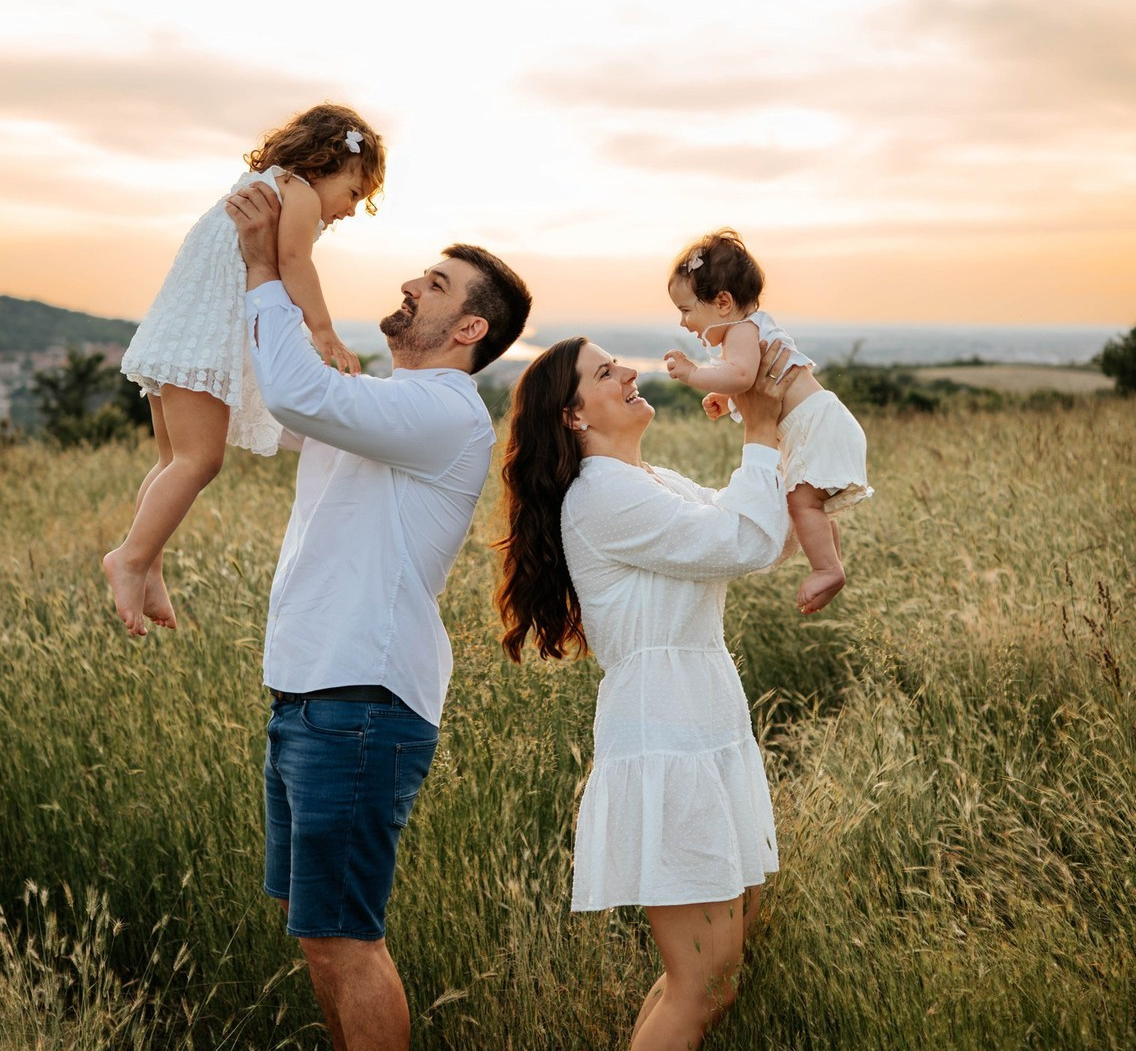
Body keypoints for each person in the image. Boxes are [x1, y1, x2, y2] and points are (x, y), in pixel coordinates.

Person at [224, 176, 531, 1051]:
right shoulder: (384, 408)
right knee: (318, 933)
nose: (411, 284)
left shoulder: (440, 410)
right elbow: (270, 408)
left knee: (347, 939)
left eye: (434, 285)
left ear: (469, 330)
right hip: (312, 692)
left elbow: (294, 397)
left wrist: (264, 266)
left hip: (359, 702)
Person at [496, 336, 798, 1051]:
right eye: (606, 373)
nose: (628, 371)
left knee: (707, 974)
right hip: (666, 733)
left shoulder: (646, 480)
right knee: (703, 982)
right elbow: (746, 544)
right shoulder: (603, 495)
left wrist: (776, 433)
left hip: (703, 721)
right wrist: (756, 430)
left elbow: (760, 531)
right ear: (573, 417)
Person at [105, 104, 384, 636]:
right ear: (324, 163)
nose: (350, 211)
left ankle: (148, 564)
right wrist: (323, 332)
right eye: (353, 193)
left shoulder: (257, 184)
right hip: (204, 341)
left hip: (177, 331)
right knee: (198, 461)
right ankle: (131, 559)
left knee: (171, 459)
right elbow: (295, 264)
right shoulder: (296, 192)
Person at [662, 229, 873, 614]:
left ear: (722, 302)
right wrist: (726, 400)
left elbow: (743, 377)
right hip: (817, 422)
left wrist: (693, 374)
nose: (683, 322)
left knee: (801, 503)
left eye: (686, 309)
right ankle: (830, 564)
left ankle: (827, 568)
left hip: (813, 426)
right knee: (812, 504)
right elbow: (750, 381)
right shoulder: (749, 329)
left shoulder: (742, 331)